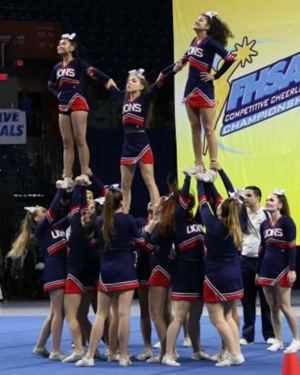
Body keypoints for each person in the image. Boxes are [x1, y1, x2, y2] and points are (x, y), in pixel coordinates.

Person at [75, 187, 145, 367]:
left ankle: (89, 356)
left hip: (106, 270)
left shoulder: (99, 221)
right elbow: (141, 243)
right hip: (125, 269)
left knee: (100, 314)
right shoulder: (128, 219)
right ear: (121, 202)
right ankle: (123, 356)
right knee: (123, 314)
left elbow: (96, 243)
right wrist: (149, 231)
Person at [104, 63, 182, 213]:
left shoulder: (146, 97)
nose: (129, 83)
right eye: (128, 80)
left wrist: (175, 67)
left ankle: (157, 213)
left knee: (149, 181)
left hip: (142, 143)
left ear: (141, 86)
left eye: (133, 81)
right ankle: (124, 212)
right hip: (128, 144)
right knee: (125, 184)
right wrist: (90, 69)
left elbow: (161, 77)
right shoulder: (122, 98)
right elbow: (109, 82)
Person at [8, 184, 68, 360]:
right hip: (54, 272)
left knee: (54, 313)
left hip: (60, 270)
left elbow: (71, 216)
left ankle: (40, 347)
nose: (46, 212)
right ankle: (56, 350)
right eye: (42, 211)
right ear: (36, 218)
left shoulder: (56, 227)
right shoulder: (42, 230)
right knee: (59, 313)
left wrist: (70, 194)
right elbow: (54, 209)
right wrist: (60, 189)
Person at [48, 33, 115, 187]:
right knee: (66, 142)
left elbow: (92, 71)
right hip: (63, 103)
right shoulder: (57, 67)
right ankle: (67, 176)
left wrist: (107, 80)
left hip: (77, 101)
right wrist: (58, 94)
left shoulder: (78, 63)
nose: (60, 46)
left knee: (80, 138)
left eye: (63, 43)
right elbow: (50, 84)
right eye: (59, 44)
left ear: (71, 48)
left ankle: (84, 172)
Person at [162, 170, 211, 366]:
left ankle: (197, 350)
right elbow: (182, 200)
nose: (188, 203)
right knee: (180, 316)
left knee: (196, 316)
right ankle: (168, 353)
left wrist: (203, 181)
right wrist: (188, 178)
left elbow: (204, 203)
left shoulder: (197, 220)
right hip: (183, 272)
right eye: (185, 201)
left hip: (200, 272)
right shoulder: (178, 221)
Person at [196, 173, 245, 367]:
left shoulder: (214, 225)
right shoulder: (236, 223)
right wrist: (209, 182)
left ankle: (233, 354)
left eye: (218, 205)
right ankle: (237, 352)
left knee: (217, 319)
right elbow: (217, 200)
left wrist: (199, 181)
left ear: (221, 211)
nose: (216, 205)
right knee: (227, 316)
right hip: (233, 274)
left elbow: (202, 203)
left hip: (216, 276)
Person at [179, 11, 235, 180]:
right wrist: (181, 61)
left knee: (209, 129)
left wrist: (215, 76)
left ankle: (213, 165)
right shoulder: (194, 41)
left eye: (201, 20)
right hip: (190, 88)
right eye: (197, 19)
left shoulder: (210, 42)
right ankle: (198, 164)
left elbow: (230, 58)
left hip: (204, 89)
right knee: (194, 128)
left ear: (208, 27)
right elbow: (187, 59)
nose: (197, 21)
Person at [258, 189, 300, 353]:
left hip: (282, 268)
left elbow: (292, 247)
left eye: (271, 200)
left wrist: (292, 269)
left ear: (280, 205)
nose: (268, 202)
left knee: (285, 306)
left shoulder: (287, 222)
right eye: (267, 200)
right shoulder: (264, 224)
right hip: (266, 269)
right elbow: (261, 249)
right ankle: (278, 340)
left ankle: (296, 339)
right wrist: (258, 271)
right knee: (272, 306)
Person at [240, 186, 275, 345]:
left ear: (257, 198)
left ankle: (269, 334)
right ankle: (248, 335)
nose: (245, 198)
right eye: (244, 195)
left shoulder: (266, 214)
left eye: (249, 195)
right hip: (245, 260)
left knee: (266, 300)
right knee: (247, 300)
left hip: (262, 260)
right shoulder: (242, 213)